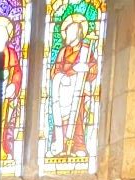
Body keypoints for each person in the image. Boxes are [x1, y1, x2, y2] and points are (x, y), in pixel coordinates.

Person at [49, 11, 98, 160]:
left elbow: (93, 69)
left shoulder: (85, 50)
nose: (68, 35)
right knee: (60, 119)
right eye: (67, 31)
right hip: (63, 89)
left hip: (77, 91)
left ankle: (78, 146)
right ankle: (60, 144)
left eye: (71, 32)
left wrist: (86, 69)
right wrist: (62, 76)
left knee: (77, 118)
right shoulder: (63, 51)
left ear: (78, 33)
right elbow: (55, 70)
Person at [0, 14, 23, 162]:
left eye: (3, 34)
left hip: (7, 96)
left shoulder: (12, 54)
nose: (0, 37)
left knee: (5, 123)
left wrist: (13, 86)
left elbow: (18, 72)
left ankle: (3, 149)